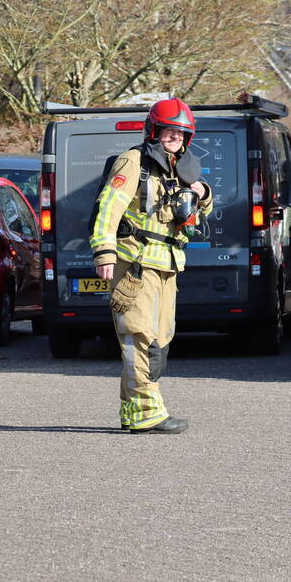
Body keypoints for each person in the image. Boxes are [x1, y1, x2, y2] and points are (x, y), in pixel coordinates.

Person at [89, 98, 212, 434]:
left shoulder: (179, 169)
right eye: (168, 131)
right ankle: (147, 412)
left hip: (167, 265)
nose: (174, 137)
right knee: (140, 338)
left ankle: (134, 410)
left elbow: (189, 215)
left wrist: (201, 194)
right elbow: (108, 207)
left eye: (180, 133)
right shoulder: (134, 162)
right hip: (136, 265)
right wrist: (105, 253)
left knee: (160, 339)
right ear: (154, 131)